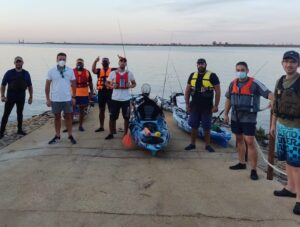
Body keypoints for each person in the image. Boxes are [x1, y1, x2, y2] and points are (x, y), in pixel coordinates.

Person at [224, 61, 274, 180]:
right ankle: (241, 163)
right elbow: (228, 99)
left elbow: (269, 93)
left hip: (249, 117)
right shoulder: (233, 83)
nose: (240, 72)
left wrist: (272, 100)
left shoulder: (255, 83)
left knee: (250, 141)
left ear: (247, 70)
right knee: (239, 139)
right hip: (236, 116)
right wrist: (226, 114)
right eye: (238, 70)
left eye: (242, 70)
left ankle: (253, 170)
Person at [271, 50, 300, 215]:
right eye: (286, 61)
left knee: (297, 165)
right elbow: (276, 103)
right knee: (288, 161)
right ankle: (290, 187)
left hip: (296, 128)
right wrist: (273, 124)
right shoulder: (280, 81)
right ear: (282, 63)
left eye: (293, 62)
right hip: (281, 125)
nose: (289, 65)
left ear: (298, 64)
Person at [184, 58, 221, 153]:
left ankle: (207, 145)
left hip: (207, 107)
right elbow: (187, 91)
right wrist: (187, 104)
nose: (201, 65)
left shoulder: (212, 76)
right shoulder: (192, 75)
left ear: (206, 65)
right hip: (194, 106)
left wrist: (216, 106)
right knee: (193, 126)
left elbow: (218, 91)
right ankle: (192, 144)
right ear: (196, 65)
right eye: (199, 64)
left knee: (207, 127)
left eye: (202, 64)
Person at [45, 52, 77, 144]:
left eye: (63, 59)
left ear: (66, 60)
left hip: (67, 99)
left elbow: (74, 84)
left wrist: (74, 97)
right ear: (57, 60)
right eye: (60, 59)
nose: (62, 61)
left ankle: (70, 135)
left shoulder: (70, 71)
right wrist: (48, 99)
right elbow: (47, 86)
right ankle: (57, 135)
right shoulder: (51, 71)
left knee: (69, 117)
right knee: (57, 117)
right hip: (55, 99)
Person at [104, 56, 136, 140]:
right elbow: (106, 83)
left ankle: (125, 134)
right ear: (118, 63)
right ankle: (111, 133)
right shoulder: (113, 73)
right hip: (115, 99)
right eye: (121, 61)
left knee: (126, 117)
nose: (122, 62)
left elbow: (134, 83)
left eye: (124, 61)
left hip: (126, 99)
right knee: (112, 117)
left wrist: (130, 85)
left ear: (126, 63)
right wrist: (112, 86)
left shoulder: (129, 73)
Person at [0, 56, 33, 138]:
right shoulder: (9, 73)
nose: (18, 63)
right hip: (10, 96)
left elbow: (30, 86)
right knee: (6, 114)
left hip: (21, 96)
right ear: (14, 63)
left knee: (20, 114)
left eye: (20, 61)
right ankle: (1, 132)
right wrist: (2, 96)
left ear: (22, 62)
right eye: (17, 62)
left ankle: (19, 130)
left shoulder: (26, 73)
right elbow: (3, 84)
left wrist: (31, 97)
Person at [92, 57, 117, 132]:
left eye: (106, 61)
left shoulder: (113, 70)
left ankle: (113, 128)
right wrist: (95, 61)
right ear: (102, 63)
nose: (105, 62)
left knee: (111, 110)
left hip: (110, 92)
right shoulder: (99, 70)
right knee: (101, 110)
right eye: (103, 61)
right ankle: (101, 126)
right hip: (101, 92)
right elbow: (93, 70)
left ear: (109, 63)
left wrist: (121, 59)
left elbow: (122, 69)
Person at [73, 58, 93, 131]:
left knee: (82, 110)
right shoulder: (71, 71)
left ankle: (80, 125)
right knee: (70, 109)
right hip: (74, 93)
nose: (79, 64)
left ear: (83, 64)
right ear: (76, 63)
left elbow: (90, 83)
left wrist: (91, 92)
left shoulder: (87, 72)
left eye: (81, 63)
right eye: (78, 63)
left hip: (84, 93)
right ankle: (69, 125)